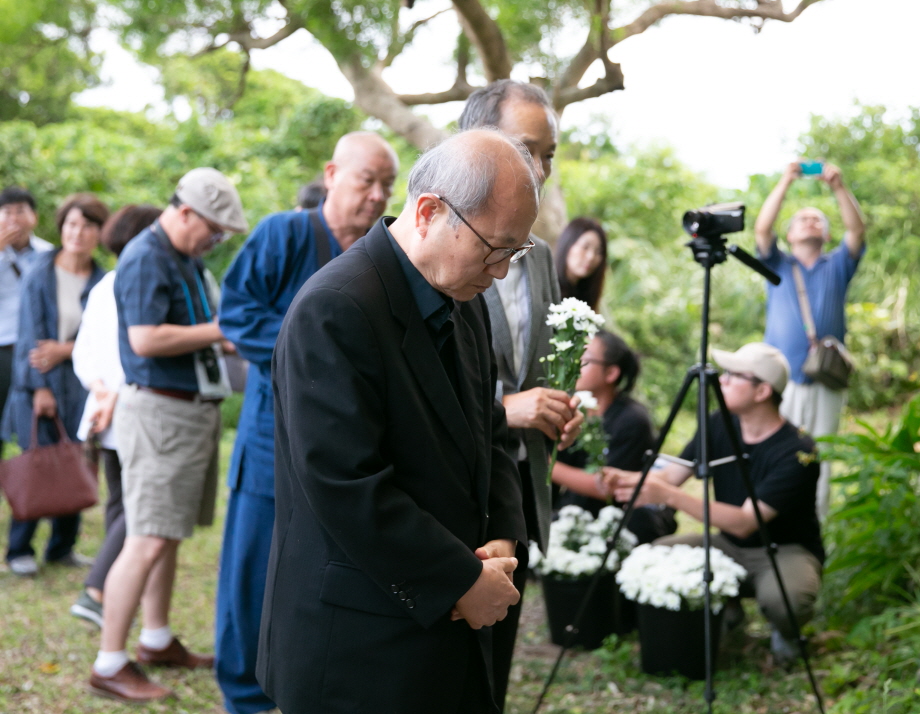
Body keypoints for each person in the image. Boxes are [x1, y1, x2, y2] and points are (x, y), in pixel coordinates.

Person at [258, 129, 536, 714]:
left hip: (448, 630)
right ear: (431, 211)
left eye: (517, 251)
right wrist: (459, 578)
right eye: (495, 248)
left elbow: (490, 429)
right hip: (360, 642)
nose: (503, 271)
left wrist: (501, 534)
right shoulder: (336, 307)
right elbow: (346, 484)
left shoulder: (465, 301)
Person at [216, 132, 398, 714]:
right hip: (273, 434)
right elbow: (237, 311)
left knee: (320, 570)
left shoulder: (381, 254)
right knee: (251, 573)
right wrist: (318, 350)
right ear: (331, 174)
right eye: (366, 179)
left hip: (351, 446)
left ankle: (304, 685)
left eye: (387, 185)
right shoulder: (284, 233)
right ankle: (244, 696)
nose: (376, 195)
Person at [88, 168, 248, 703]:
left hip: (188, 410)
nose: (215, 241)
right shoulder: (145, 256)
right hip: (159, 412)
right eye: (215, 230)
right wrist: (225, 331)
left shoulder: (184, 258)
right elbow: (147, 338)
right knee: (147, 536)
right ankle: (110, 661)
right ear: (183, 212)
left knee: (168, 531)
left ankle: (155, 638)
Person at [457, 79, 583, 711]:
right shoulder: (434, 244)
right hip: (455, 488)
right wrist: (511, 409)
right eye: (526, 149)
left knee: (495, 668)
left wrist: (559, 407)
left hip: (521, 485)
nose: (539, 169)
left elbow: (545, 359)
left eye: (549, 155)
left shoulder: (538, 256)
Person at [606, 342, 824, 665]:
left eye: (734, 375)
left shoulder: (797, 452)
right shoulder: (719, 423)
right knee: (656, 555)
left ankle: (787, 631)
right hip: (727, 544)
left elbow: (745, 521)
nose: (720, 380)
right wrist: (625, 481)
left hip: (783, 549)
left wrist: (668, 496)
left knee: (785, 601)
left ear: (762, 391)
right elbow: (672, 474)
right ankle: (728, 608)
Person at [2, 193, 108, 577]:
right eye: (71, 225)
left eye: (88, 226)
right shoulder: (39, 271)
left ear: (99, 232)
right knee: (38, 462)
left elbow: (103, 336)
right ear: (61, 228)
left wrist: (66, 349)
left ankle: (62, 547)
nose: (78, 233)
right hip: (40, 386)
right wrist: (40, 388)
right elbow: (30, 337)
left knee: (76, 463)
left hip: (82, 383)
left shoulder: (101, 280)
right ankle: (19, 548)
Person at [754, 160, 865, 517]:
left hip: (825, 378)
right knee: (776, 452)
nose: (810, 221)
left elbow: (857, 230)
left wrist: (838, 187)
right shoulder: (778, 264)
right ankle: (773, 519)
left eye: (818, 219)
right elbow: (761, 228)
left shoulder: (838, 265)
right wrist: (785, 179)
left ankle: (813, 527)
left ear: (827, 235)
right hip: (780, 378)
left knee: (821, 456)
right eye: (802, 218)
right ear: (790, 235)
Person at [69, 204, 162, 626]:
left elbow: (83, 352)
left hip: (105, 409)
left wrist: (101, 391)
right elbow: (139, 347)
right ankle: (96, 589)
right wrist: (113, 393)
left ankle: (111, 591)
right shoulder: (138, 278)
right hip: (127, 409)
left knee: (118, 504)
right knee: (136, 509)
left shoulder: (104, 283)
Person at [553, 330, 676, 544]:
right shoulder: (575, 408)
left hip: (623, 522)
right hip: (575, 512)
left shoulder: (632, 420)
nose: (573, 364)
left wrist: (545, 465)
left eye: (585, 360)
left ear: (611, 373)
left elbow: (606, 488)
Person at [0, 187, 54, 460]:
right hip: (2, 348)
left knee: (32, 424)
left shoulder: (48, 254)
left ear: (34, 216)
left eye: (20, 211)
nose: (13, 219)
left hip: (35, 353)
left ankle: (32, 487)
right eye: (6, 212)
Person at [554, 217, 607, 310]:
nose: (591, 257)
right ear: (568, 244)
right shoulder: (546, 287)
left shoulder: (586, 297)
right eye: (585, 247)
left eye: (598, 252)